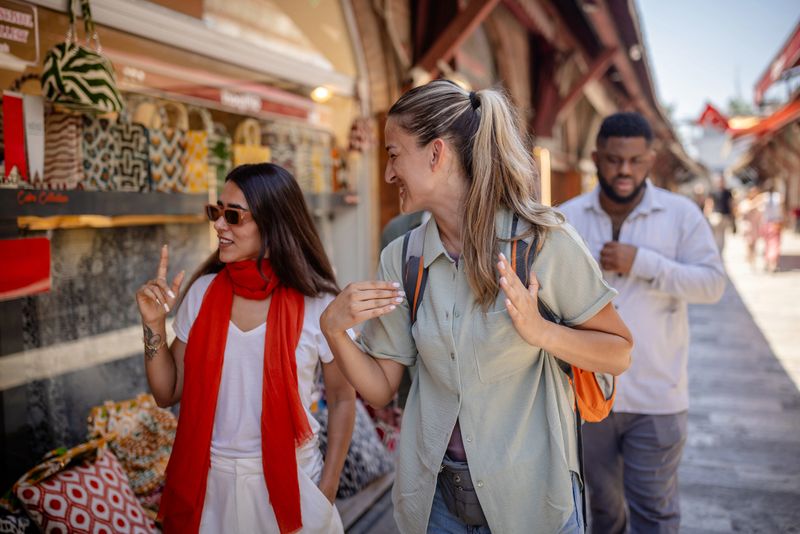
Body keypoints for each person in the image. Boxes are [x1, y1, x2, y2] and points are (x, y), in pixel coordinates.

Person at [320, 80, 633, 534]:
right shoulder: (401, 257)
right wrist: (334, 330)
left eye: (393, 154)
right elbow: (382, 388)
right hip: (435, 507)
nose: (388, 174)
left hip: (534, 503)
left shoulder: (543, 242)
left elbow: (619, 352)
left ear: (436, 153)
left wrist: (542, 331)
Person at [135, 163, 355, 534]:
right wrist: (153, 324)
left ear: (272, 223)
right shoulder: (203, 293)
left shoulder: (319, 304)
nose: (219, 224)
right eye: (216, 211)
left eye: (233, 215)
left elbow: (343, 399)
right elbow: (166, 392)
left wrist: (327, 490)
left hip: (293, 483)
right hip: (210, 488)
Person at [558, 112, 726, 534]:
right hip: (587, 397)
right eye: (614, 160)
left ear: (651, 158)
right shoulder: (565, 218)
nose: (624, 170)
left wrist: (645, 263)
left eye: (635, 160)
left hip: (658, 398)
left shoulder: (681, 214)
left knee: (654, 513)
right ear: (596, 157)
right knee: (603, 511)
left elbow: (712, 285)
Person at [759, 181, 784, 273]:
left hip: (766, 223)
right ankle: (773, 264)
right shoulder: (778, 197)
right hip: (775, 222)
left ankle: (768, 262)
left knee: (767, 244)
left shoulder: (763, 197)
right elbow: (781, 210)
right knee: (775, 243)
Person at [708, 174, 736, 253]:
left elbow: (731, 204)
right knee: (717, 236)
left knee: (721, 236)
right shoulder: (713, 192)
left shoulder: (727, 193)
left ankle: (719, 251)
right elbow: (710, 204)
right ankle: (717, 251)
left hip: (725, 216)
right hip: (716, 216)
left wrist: (733, 217)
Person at [738, 184, 762, 268]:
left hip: (755, 226)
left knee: (754, 244)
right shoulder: (745, 203)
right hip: (747, 226)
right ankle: (749, 258)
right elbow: (743, 211)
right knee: (748, 243)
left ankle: (753, 259)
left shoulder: (759, 203)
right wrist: (755, 203)